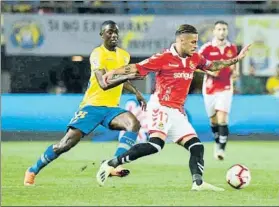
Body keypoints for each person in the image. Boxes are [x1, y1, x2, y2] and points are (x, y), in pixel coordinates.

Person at [95, 24, 251, 190]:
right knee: (155, 145)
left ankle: (198, 183)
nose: (195, 45)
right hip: (160, 106)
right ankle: (110, 163)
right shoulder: (163, 58)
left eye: (196, 42)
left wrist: (236, 59)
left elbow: (213, 65)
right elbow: (136, 68)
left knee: (197, 147)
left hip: (176, 111)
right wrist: (112, 74)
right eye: (192, 42)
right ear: (181, 41)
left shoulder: (195, 58)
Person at [24, 20, 147, 186]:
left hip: (111, 108)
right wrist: (128, 76)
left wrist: (137, 92)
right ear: (102, 35)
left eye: (116, 32)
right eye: (109, 32)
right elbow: (104, 84)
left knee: (133, 124)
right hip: (92, 106)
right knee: (64, 145)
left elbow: (120, 80)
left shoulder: (124, 55)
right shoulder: (98, 54)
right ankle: (33, 169)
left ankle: (113, 164)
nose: (114, 35)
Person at [198, 21, 238, 160]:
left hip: (226, 87)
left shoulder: (231, 47)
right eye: (219, 29)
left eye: (224, 29)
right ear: (214, 31)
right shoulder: (206, 48)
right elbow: (195, 65)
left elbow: (234, 62)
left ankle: (221, 149)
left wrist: (235, 72)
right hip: (209, 88)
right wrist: (209, 72)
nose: (222, 32)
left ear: (227, 31)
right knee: (213, 120)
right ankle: (217, 143)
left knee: (222, 118)